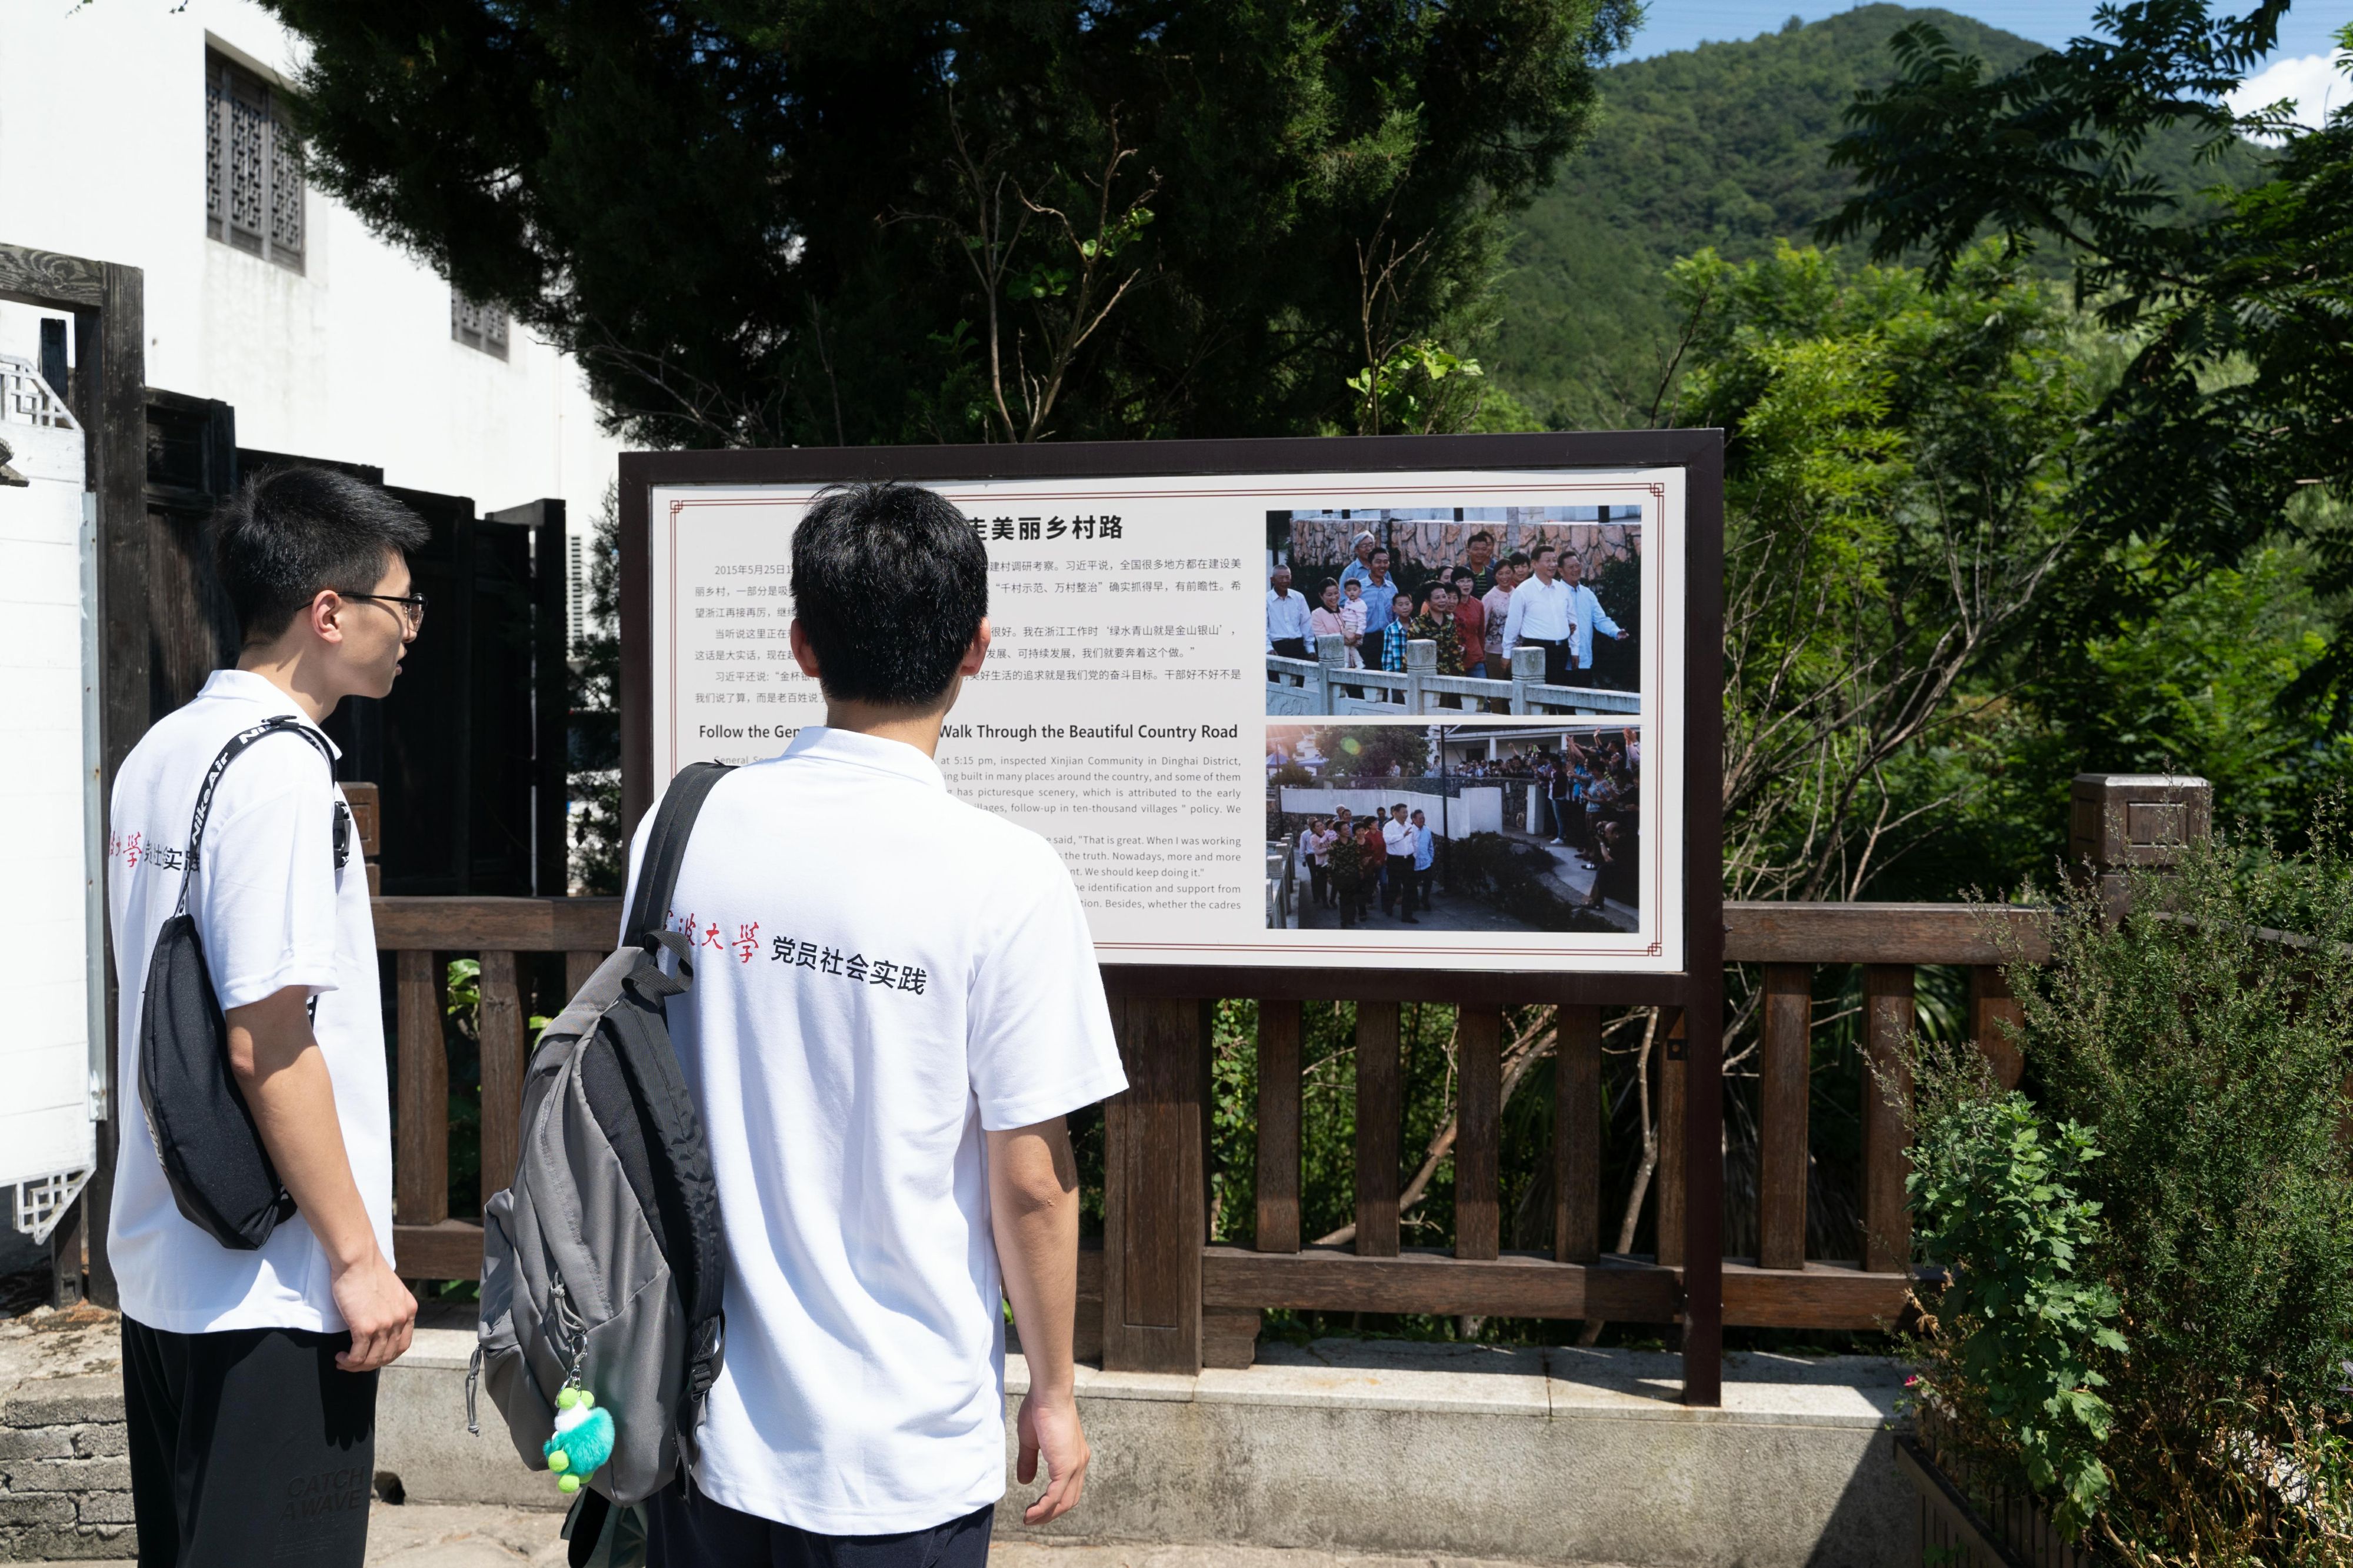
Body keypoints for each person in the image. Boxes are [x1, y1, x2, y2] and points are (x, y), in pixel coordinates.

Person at [622, 482, 1127, 1565]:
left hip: (693, 1416)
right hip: (900, 1449)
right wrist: (1053, 1390)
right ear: (977, 646)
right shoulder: (1007, 875)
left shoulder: (682, 824)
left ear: (802, 644)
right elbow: (1031, 1180)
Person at [108, 467, 425, 1567]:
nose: (410, 631)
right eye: (402, 605)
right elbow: (268, 1040)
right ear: (328, 612)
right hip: (272, 1282)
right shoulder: (282, 770)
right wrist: (359, 1259)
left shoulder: (163, 749)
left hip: (167, 1260)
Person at [1499, 545, 1580, 688]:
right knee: (1536, 694)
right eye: (1548, 561)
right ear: (1534, 564)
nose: (1553, 565)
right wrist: (1507, 653)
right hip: (1534, 649)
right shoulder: (1523, 591)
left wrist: (1575, 650)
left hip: (1561, 650)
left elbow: (1573, 620)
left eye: (1554, 560)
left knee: (1559, 693)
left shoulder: (1562, 589)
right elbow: (1513, 625)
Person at [1558, 556, 1627, 678]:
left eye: (1578, 565)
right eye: (1571, 567)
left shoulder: (1587, 594)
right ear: (1561, 571)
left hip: (1584, 660)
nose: (1576, 570)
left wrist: (1616, 632)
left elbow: (1600, 619)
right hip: (1559, 660)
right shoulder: (1555, 593)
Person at [1265, 564, 1314, 660]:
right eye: (1281, 578)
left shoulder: (1299, 597)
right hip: (1276, 648)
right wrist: (1268, 648)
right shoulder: (1266, 600)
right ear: (1272, 580)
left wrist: (1310, 649)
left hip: (1298, 646)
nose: (1285, 581)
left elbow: (1306, 624)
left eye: (1287, 577)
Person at [1377, 587, 1418, 692]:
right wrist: (1389, 675)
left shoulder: (1418, 626)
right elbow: (1387, 655)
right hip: (1398, 675)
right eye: (1400, 605)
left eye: (1407, 604)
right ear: (1394, 608)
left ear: (1412, 606)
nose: (1405, 607)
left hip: (1416, 673)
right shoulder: (1390, 629)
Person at [1380, 804, 1417, 920]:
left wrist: (1414, 855)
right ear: (1395, 813)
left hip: (1408, 860)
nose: (1406, 815)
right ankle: (1389, 907)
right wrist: (1402, 835)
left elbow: (1414, 842)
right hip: (1395, 861)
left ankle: (1407, 916)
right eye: (1403, 812)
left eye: (1407, 812)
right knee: (1394, 888)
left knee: (1409, 888)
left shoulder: (1409, 826)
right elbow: (1388, 840)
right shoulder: (1388, 826)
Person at [1327, 812, 1363, 929]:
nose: (1348, 831)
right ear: (1338, 832)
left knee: (1353, 897)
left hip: (1353, 874)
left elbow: (1358, 858)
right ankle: (1344, 919)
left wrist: (1360, 871)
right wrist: (1329, 876)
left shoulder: (1353, 842)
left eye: (1348, 828)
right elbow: (1331, 861)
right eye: (1345, 829)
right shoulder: (1334, 845)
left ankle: (1352, 918)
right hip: (1340, 875)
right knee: (1343, 898)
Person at [1451, 569, 1486, 679]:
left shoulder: (1479, 605)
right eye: (1461, 581)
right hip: (1455, 658)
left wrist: (1481, 652)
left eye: (1469, 581)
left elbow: (1481, 633)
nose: (1466, 585)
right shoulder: (1449, 605)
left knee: (1482, 688)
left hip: (1476, 657)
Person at [1357, 816, 1387, 922]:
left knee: (1384, 883)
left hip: (1382, 862)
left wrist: (1381, 860)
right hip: (1370, 864)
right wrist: (1375, 861)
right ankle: (1369, 901)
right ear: (1370, 825)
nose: (1377, 823)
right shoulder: (1366, 837)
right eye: (1375, 822)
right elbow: (1368, 852)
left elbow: (1385, 848)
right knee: (1370, 884)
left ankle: (1385, 904)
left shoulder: (1381, 834)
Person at [1308, 579, 1347, 659]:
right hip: (1331, 658)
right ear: (1321, 596)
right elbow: (1323, 639)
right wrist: (1346, 637)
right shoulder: (1317, 614)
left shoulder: (1345, 612)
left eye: (1336, 593)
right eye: (1329, 595)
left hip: (1350, 657)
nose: (1334, 597)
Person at [1410, 809, 1438, 915]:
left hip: (1427, 863)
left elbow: (1431, 846)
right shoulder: (1410, 831)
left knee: (1428, 883)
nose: (1422, 820)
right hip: (1414, 864)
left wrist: (1431, 859)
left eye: (1423, 818)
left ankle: (1425, 900)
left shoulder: (1427, 830)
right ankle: (1415, 902)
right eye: (1420, 818)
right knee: (1413, 885)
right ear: (1414, 820)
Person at [1338, 579, 1369, 668]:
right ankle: (1359, 663)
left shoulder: (1361, 604)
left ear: (1360, 591)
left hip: (1354, 626)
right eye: (1349, 590)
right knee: (1351, 647)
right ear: (1345, 592)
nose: (1352, 592)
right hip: (1347, 626)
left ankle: (1345, 663)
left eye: (1355, 590)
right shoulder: (1348, 602)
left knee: (1345, 644)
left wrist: (1360, 632)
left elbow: (1362, 620)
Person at [1338, 529, 1380, 593]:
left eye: (1371, 544)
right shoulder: (1350, 572)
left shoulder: (1380, 568)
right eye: (1364, 546)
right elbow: (1342, 597)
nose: (1369, 549)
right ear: (1356, 550)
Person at [1462, 530, 1499, 598]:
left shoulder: (1494, 575)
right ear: (1468, 551)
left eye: (1484, 549)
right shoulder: (1461, 574)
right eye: (1476, 549)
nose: (1480, 552)